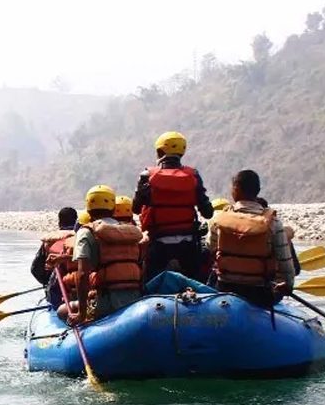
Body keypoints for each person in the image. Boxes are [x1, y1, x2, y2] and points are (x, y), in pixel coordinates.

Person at [132, 131, 214, 282]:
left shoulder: (146, 176)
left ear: (159, 152)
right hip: (188, 242)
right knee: (195, 282)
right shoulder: (194, 175)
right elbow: (208, 212)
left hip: (157, 241)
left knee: (152, 283)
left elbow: (135, 209)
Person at [208, 170, 295, 307]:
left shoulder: (219, 220)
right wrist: (288, 286)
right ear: (258, 191)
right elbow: (286, 264)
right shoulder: (274, 223)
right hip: (260, 293)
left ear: (236, 189)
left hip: (224, 288)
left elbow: (210, 248)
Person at [67, 185, 144, 324]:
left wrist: (81, 314)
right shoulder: (127, 230)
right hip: (135, 297)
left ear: (88, 210)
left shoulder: (86, 232)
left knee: (62, 311)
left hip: (106, 301)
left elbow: (82, 274)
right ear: (113, 209)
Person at [30, 207, 77, 285]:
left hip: (57, 282)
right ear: (76, 221)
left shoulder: (49, 240)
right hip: (79, 281)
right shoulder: (81, 236)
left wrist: (46, 282)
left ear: (59, 222)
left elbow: (36, 269)